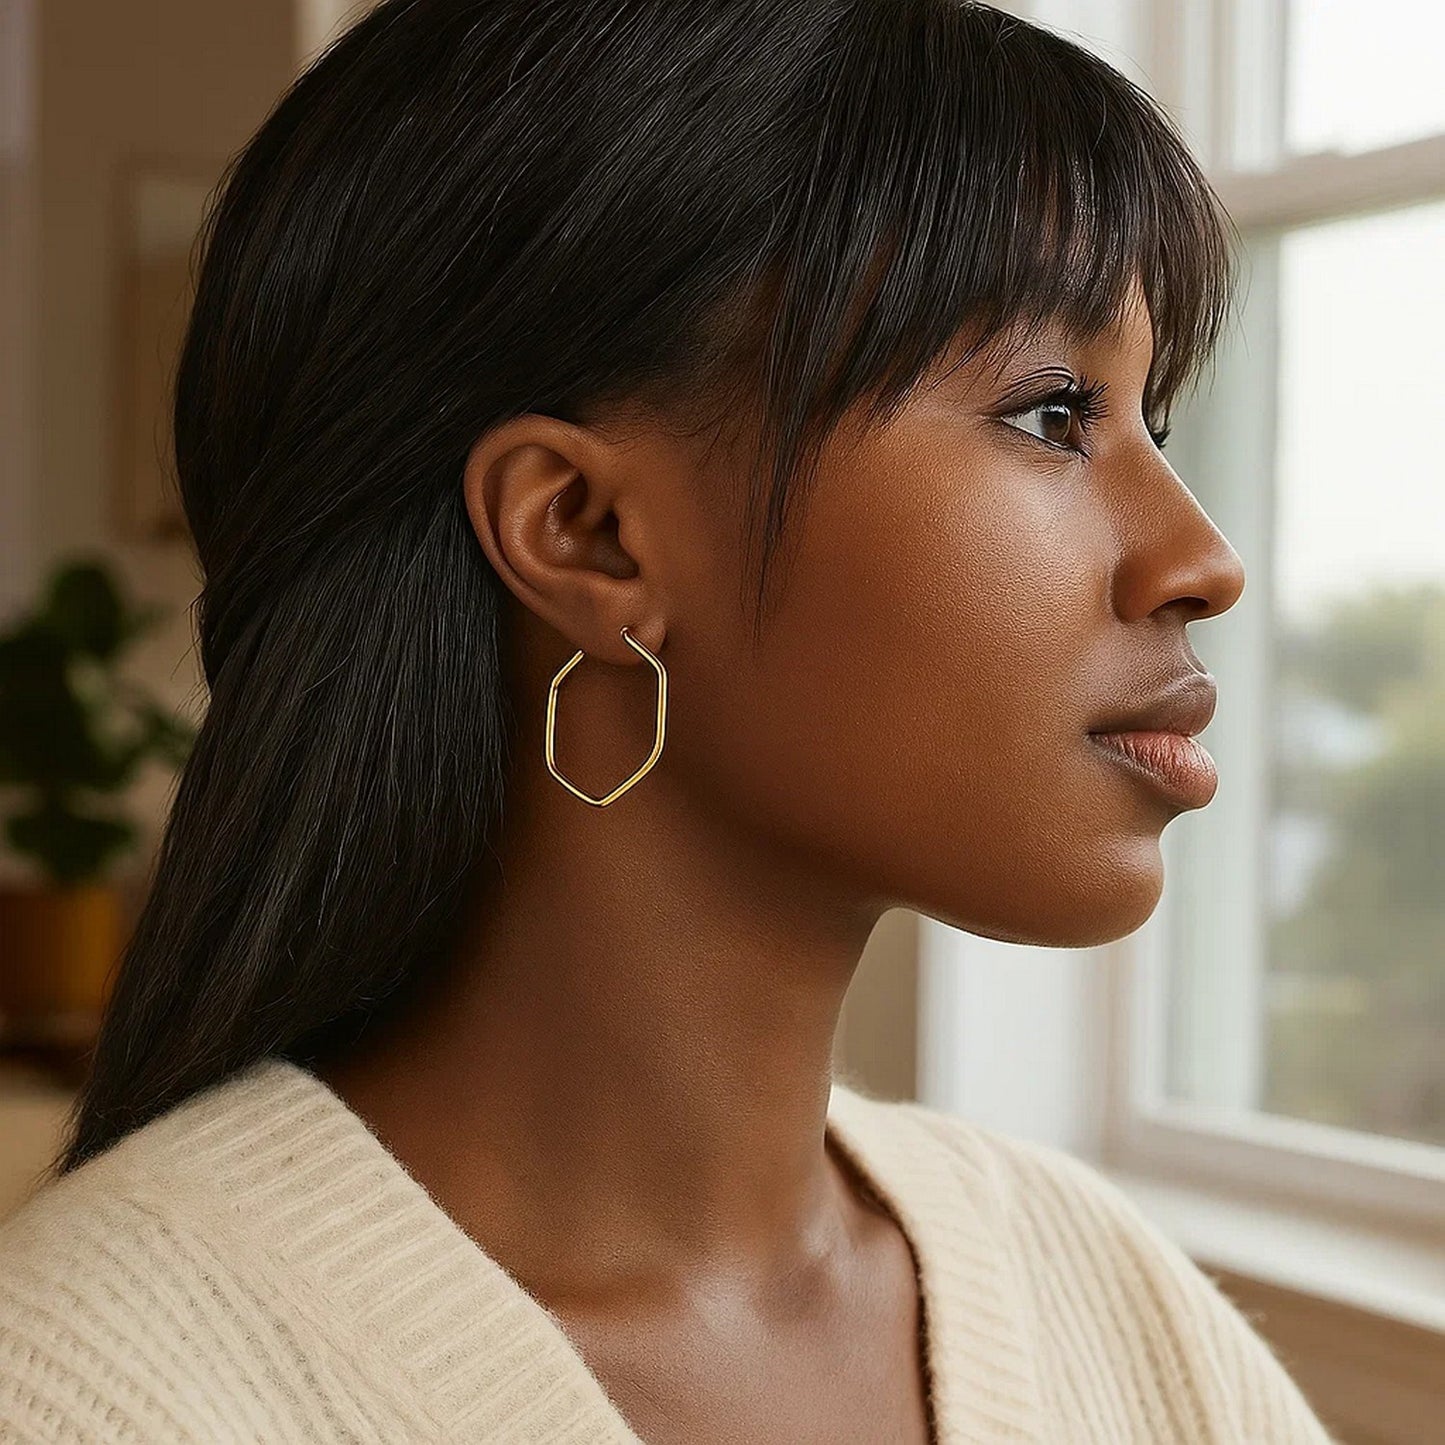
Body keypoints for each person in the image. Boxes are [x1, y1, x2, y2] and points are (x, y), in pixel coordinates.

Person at [0, 1, 1337, 1440]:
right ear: (585, 533)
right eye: (1053, 412)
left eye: (1157, 421)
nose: (1201, 557)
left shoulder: (1103, 1295)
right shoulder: (97, 1392)